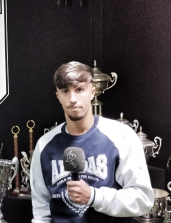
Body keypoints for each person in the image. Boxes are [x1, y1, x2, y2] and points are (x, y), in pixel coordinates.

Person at [30, 61, 153, 223]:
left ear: (92, 91)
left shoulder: (121, 136)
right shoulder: (44, 144)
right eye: (66, 91)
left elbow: (142, 199)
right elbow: (41, 210)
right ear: (58, 96)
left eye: (79, 89)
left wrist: (94, 196)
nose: (72, 99)